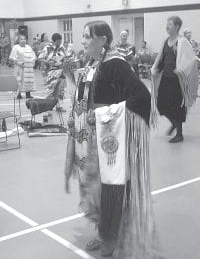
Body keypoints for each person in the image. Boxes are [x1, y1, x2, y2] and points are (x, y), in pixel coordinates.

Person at [65, 21, 164, 258]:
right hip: (94, 138)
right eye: (83, 36)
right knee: (95, 188)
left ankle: (111, 236)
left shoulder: (115, 64)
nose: (83, 41)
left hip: (111, 139)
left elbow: (142, 96)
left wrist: (102, 115)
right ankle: (104, 231)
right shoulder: (94, 64)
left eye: (88, 37)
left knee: (111, 188)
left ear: (103, 40)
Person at [151, 16, 198, 143]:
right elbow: (162, 59)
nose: (167, 26)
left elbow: (192, 60)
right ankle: (173, 123)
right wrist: (155, 69)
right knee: (161, 104)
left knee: (177, 106)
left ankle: (179, 134)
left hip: (177, 81)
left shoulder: (183, 42)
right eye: (167, 24)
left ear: (177, 26)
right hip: (166, 78)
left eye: (170, 24)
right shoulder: (166, 41)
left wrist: (181, 69)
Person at [38, 33, 75, 111]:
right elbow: (40, 58)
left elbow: (66, 57)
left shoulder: (62, 48)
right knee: (51, 89)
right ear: (54, 41)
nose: (59, 43)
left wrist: (68, 60)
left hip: (61, 70)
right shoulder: (47, 48)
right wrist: (48, 62)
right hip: (51, 71)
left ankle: (59, 106)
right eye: (58, 41)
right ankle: (48, 106)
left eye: (60, 41)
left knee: (61, 90)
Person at [9, 34, 36, 99]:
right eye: (21, 39)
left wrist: (32, 62)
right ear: (18, 40)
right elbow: (11, 57)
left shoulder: (28, 47)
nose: (23, 40)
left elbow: (33, 56)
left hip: (28, 68)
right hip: (20, 67)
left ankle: (28, 94)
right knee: (19, 80)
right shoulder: (16, 47)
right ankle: (18, 94)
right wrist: (18, 63)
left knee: (28, 81)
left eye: (24, 39)